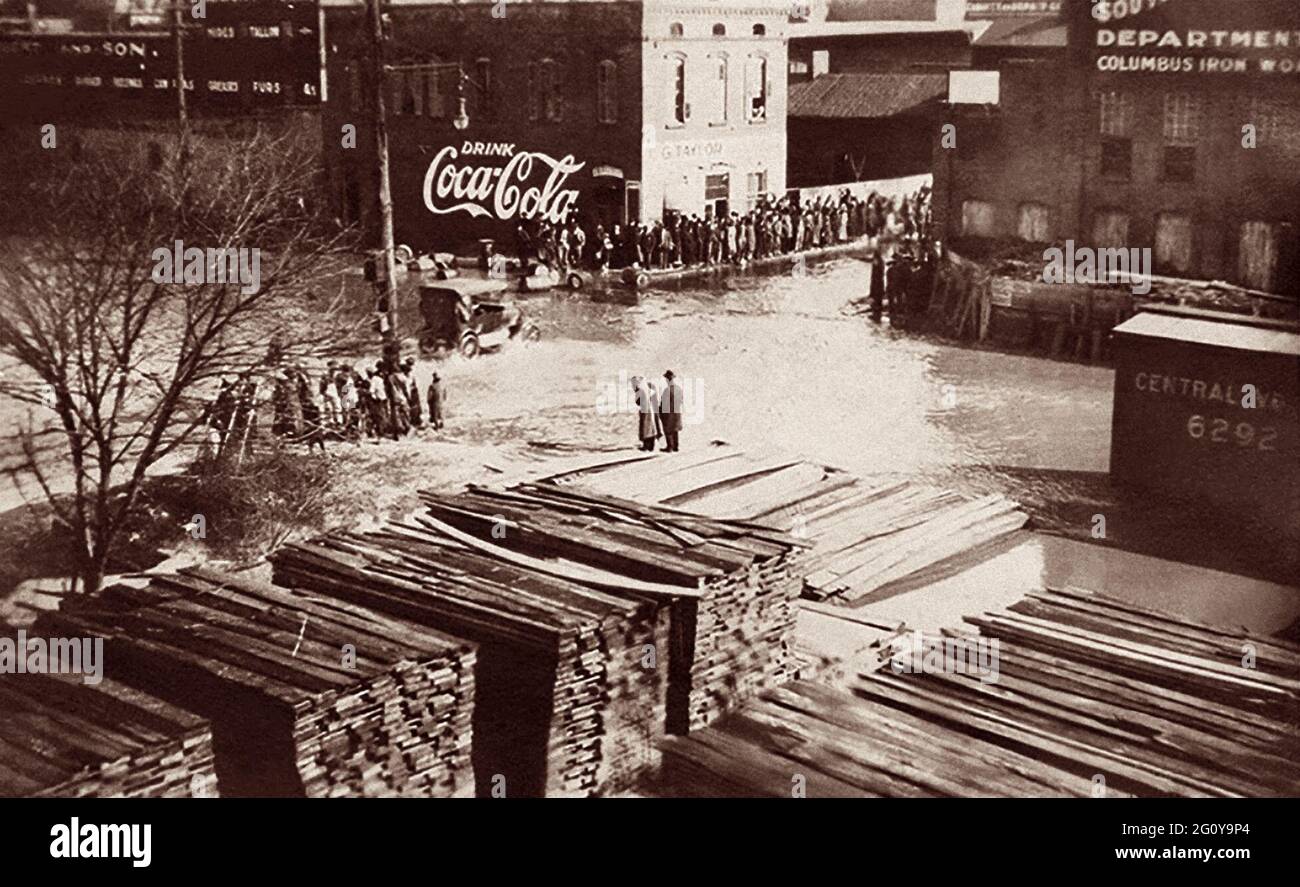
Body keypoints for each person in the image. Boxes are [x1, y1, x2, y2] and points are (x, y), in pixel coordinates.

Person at [631, 375, 661, 452]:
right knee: (651, 428)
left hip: (645, 410)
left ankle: (647, 446)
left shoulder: (640, 389)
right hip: (650, 409)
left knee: (646, 428)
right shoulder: (648, 388)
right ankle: (651, 445)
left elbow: (638, 402)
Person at [658, 370, 683, 453]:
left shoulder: (667, 390)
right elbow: (681, 400)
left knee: (668, 430)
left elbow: (664, 403)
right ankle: (676, 446)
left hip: (669, 413)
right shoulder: (678, 389)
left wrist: (660, 411)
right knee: (675, 430)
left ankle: (670, 447)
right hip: (677, 412)